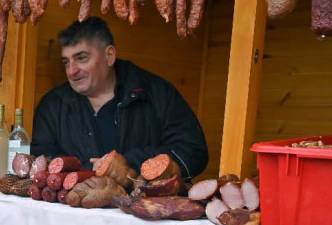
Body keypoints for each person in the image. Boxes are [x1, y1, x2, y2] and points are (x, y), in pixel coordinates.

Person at [31, 16, 209, 180]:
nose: (71, 70)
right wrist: (90, 170)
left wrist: (127, 164)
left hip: (146, 208)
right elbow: (42, 158)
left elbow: (192, 151)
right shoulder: (52, 105)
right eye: (66, 62)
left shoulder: (156, 93)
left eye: (82, 58)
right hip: (76, 208)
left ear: (109, 56)